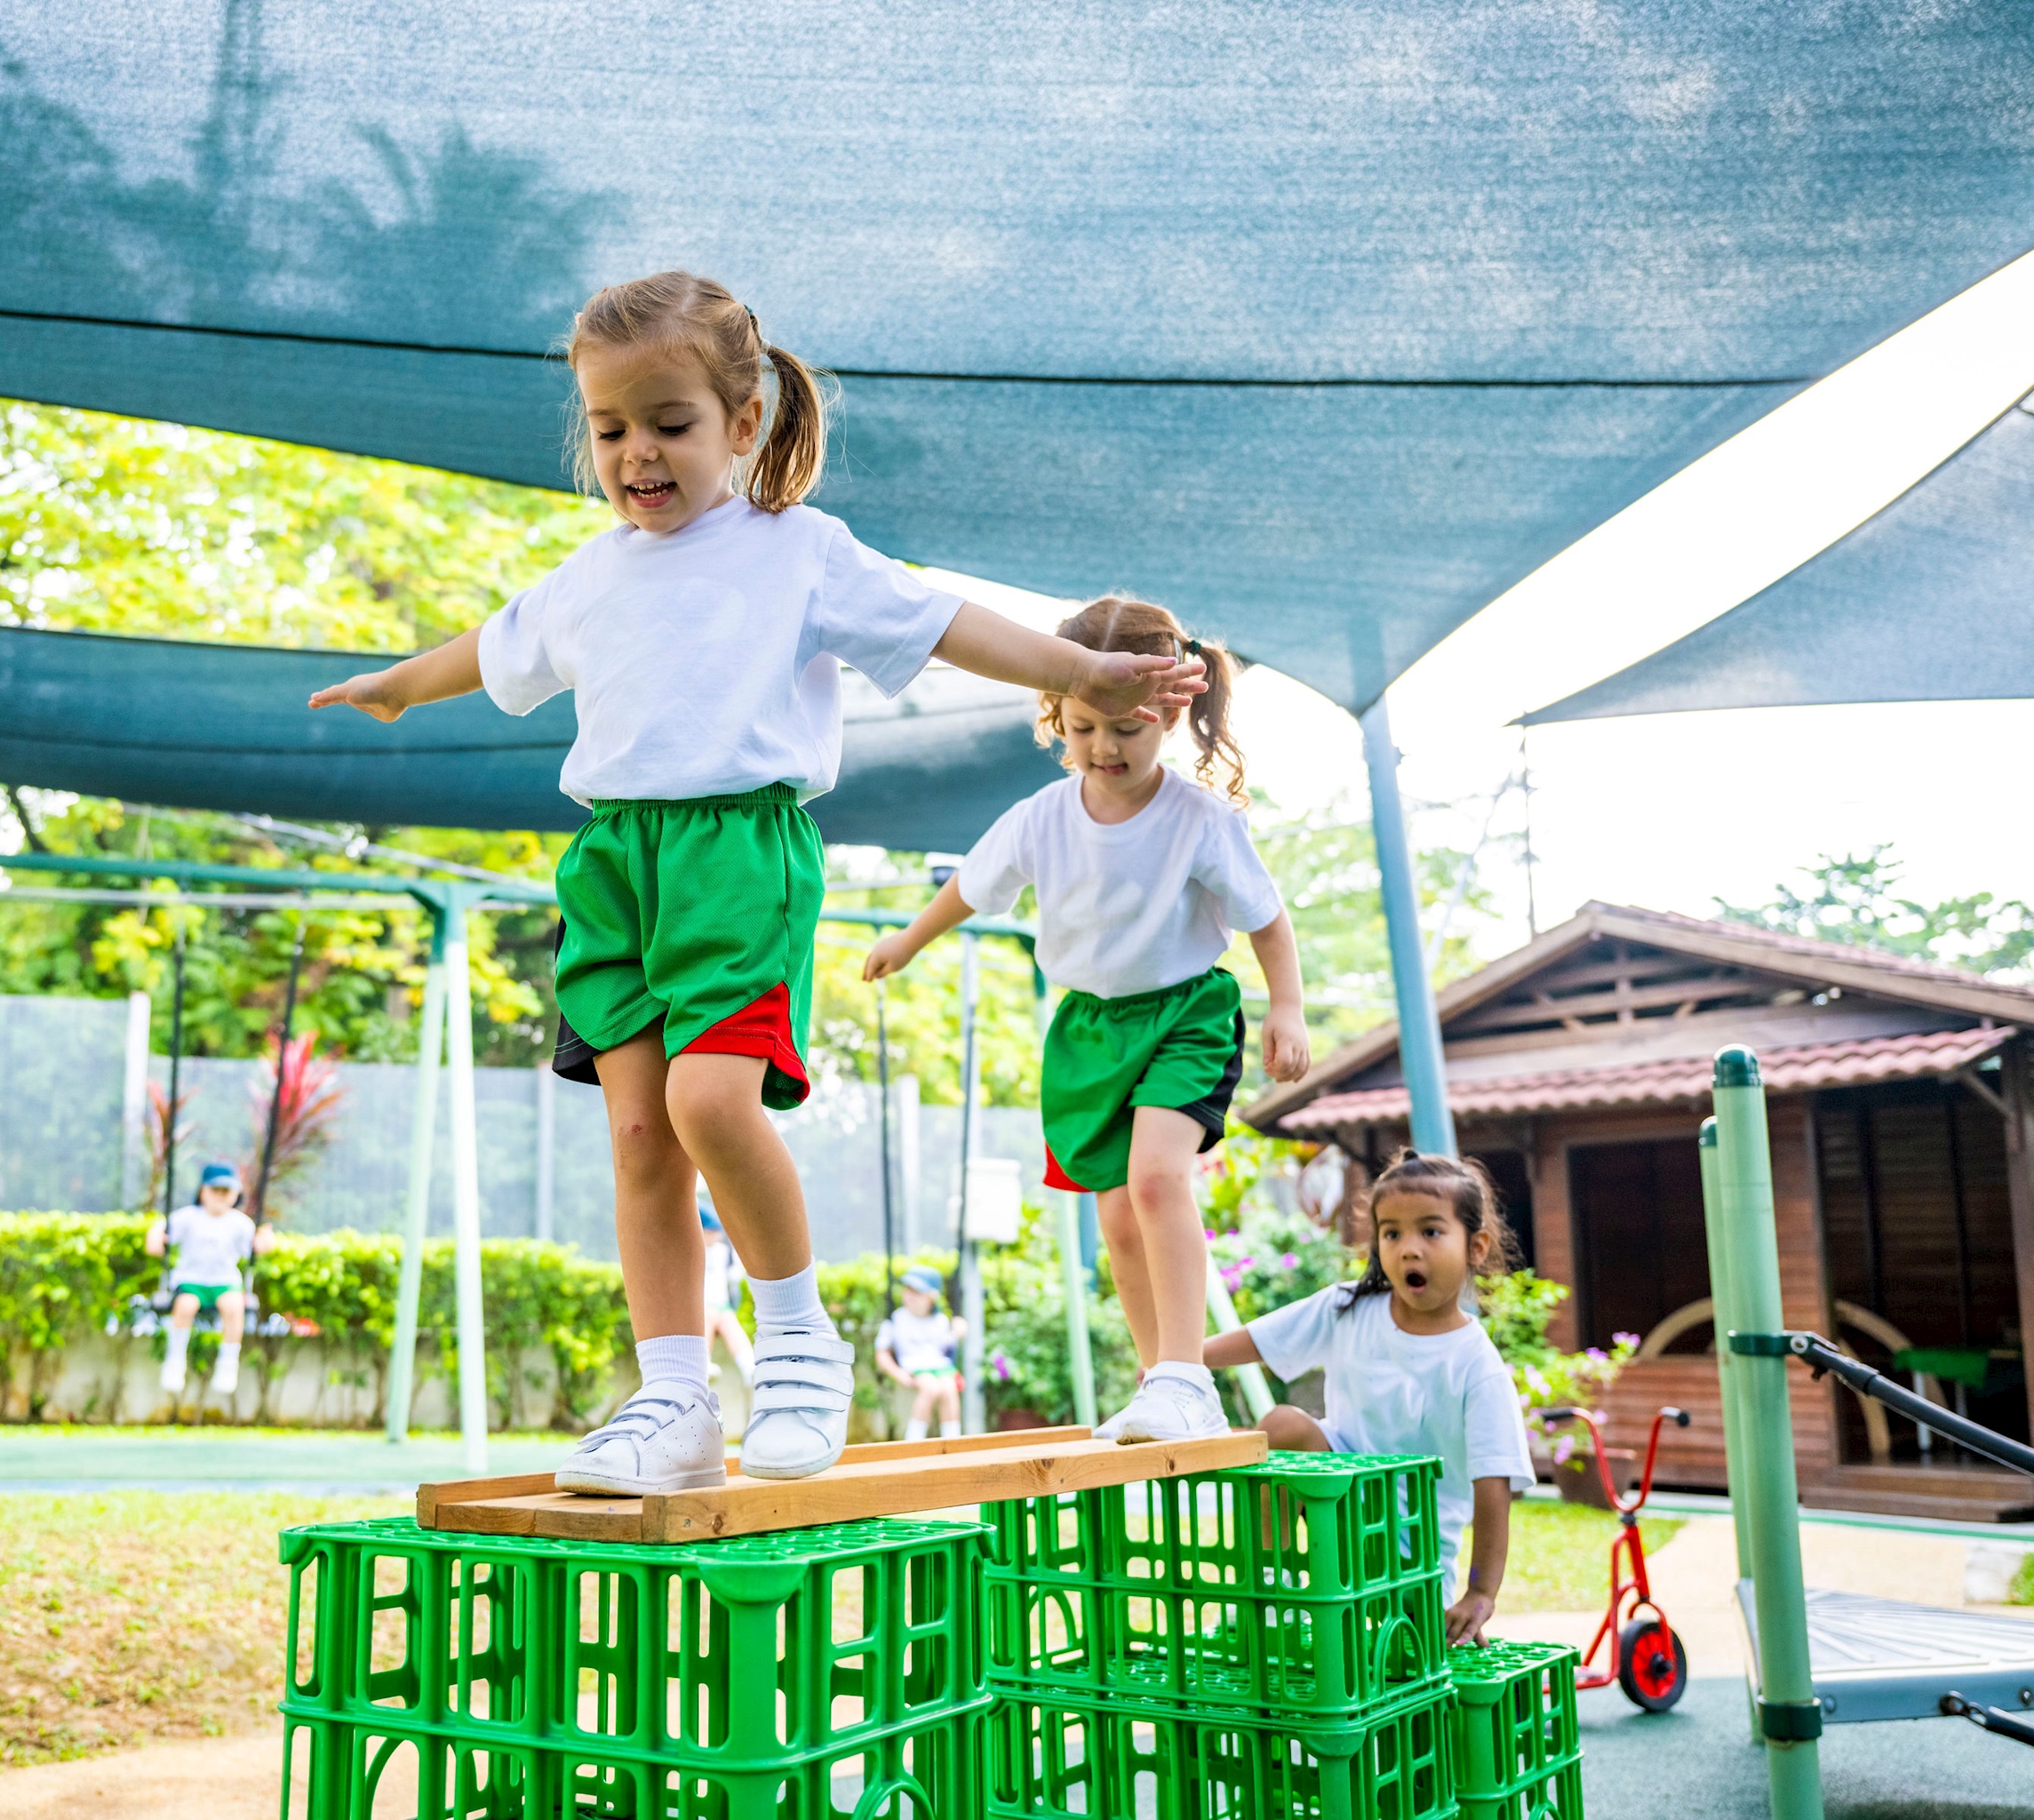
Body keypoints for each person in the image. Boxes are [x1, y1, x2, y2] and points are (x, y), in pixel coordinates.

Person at [312, 270, 1203, 1496]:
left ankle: (796, 1352)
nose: (638, 455)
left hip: (738, 854)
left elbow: (942, 620)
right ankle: (674, 1396)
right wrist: (401, 682)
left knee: (711, 1105)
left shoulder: (797, 552)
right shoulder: (593, 574)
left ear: (743, 422)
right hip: (617, 863)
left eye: (669, 424)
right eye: (611, 429)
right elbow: (499, 644)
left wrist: (1081, 668)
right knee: (638, 1133)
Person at [863, 595, 1307, 1446]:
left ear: (1172, 717)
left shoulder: (1200, 820)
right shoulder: (1041, 818)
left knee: (1154, 1183)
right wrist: (910, 940)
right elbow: (971, 887)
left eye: (1128, 730)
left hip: (1184, 1014)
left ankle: (1185, 1377)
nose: (1104, 747)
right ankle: (1162, 1386)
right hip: (1088, 1033)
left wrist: (1286, 1005)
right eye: (1083, 727)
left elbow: (1265, 917)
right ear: (1054, 716)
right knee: (1113, 1217)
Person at [1206, 1151, 1537, 1646]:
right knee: (1282, 1426)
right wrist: (1178, 1361)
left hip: (1409, 1560)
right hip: (1338, 1512)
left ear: (1476, 1246)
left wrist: (1479, 1593)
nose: (1408, 1249)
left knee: (1408, 1673)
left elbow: (1494, 1486)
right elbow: (1258, 1339)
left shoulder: (1476, 1364)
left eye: (1430, 1232)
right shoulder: (1348, 1308)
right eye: (1392, 1233)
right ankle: (1266, 1596)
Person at [147, 1161, 272, 1397]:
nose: (221, 1197)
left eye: (227, 1192)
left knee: (234, 1306)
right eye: (216, 1190)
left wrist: (265, 1240)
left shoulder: (241, 1223)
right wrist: (155, 1236)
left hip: (225, 1281)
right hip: (190, 1280)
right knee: (186, 1306)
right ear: (203, 1191)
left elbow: (258, 1248)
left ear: (236, 1194)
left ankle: (228, 1363)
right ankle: (175, 1361)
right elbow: (158, 1238)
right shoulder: (186, 1217)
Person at [873, 1265, 965, 1441]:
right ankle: (914, 1441)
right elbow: (882, 1353)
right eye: (908, 1290)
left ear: (931, 1297)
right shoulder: (896, 1320)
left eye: (917, 1292)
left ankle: (953, 1440)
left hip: (939, 1365)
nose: (910, 1296)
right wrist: (899, 1374)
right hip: (914, 1366)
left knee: (949, 1388)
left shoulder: (940, 1320)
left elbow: (947, 1345)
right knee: (931, 1388)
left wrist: (959, 1332)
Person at [698, 1196, 754, 1393]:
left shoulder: (725, 1252)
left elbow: (734, 1281)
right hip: (701, 1308)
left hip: (722, 1306)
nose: (716, 1237)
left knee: (729, 1321)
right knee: (709, 1317)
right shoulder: (693, 1251)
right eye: (711, 1232)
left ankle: (750, 1368)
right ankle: (702, 1365)